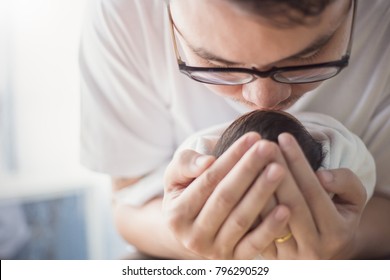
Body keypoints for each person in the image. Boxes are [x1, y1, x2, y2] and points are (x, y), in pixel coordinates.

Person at [79, 0, 390, 259]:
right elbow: (127, 206)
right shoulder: (125, 14)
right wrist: (191, 239)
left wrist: (351, 241)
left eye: (307, 56)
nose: (263, 100)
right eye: (217, 64)